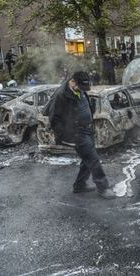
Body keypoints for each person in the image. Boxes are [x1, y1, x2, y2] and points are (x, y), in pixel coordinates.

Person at [47, 71, 116, 199]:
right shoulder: (61, 95)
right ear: (73, 81)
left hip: (87, 129)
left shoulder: (79, 89)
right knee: (93, 159)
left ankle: (79, 185)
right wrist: (68, 136)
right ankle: (103, 188)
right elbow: (54, 120)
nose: (84, 90)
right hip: (76, 133)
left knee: (87, 159)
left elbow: (84, 104)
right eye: (81, 87)